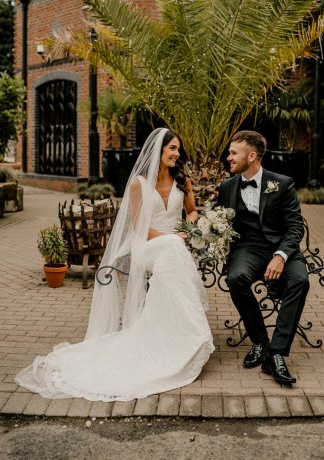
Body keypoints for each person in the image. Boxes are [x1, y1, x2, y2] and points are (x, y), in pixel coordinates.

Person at [16, 128, 214, 401]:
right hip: (146, 245)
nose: (177, 154)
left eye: (178, 149)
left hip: (174, 246)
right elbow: (139, 228)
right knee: (172, 247)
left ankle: (169, 330)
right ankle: (188, 328)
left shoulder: (184, 180)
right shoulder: (138, 185)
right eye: (172, 149)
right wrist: (174, 237)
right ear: (158, 151)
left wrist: (188, 229)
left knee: (173, 250)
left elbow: (192, 211)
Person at [217, 130, 309, 385]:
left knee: (300, 281)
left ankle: (276, 353)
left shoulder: (282, 182)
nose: (229, 158)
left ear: (252, 155)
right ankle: (260, 340)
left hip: (282, 250)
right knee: (235, 278)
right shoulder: (226, 187)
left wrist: (280, 256)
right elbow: (216, 221)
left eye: (234, 153)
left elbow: (294, 227)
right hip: (248, 250)